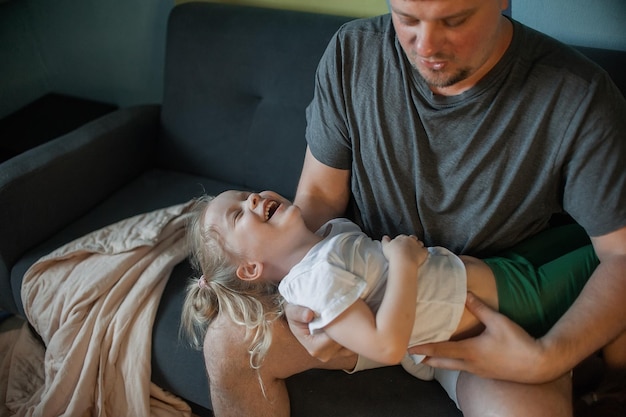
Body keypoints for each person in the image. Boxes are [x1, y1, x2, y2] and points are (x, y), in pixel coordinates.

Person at [203, 1, 626, 416]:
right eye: (406, 19)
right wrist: (300, 304)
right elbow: (318, 198)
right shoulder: (354, 53)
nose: (426, 45)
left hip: (480, 314)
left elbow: (620, 255)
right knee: (228, 343)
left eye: (453, 20)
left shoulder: (577, 97)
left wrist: (546, 358)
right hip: (364, 295)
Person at [182, 190, 609, 387]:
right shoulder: (314, 284)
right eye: (239, 215)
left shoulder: (323, 241)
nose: (253, 199)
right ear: (252, 269)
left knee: (600, 231)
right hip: (508, 303)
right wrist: (403, 265)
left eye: (246, 194)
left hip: (501, 269)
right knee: (608, 258)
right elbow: (385, 347)